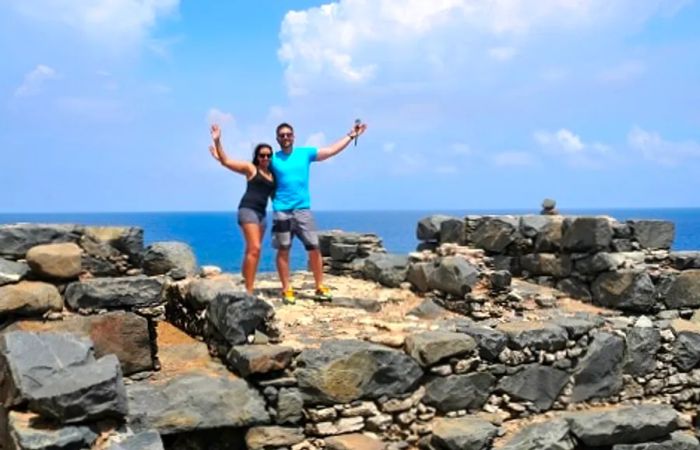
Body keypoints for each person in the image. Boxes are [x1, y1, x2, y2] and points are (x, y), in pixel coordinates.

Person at [271, 120, 367, 304]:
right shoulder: (273, 159)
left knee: (314, 248)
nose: (285, 138)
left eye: (288, 134)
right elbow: (248, 168)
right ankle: (286, 289)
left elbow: (330, 151)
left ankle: (319, 286)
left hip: (302, 209)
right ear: (277, 138)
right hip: (281, 211)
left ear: (293, 136)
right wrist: (220, 152)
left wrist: (351, 136)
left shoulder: (304, 154)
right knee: (283, 250)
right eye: (282, 135)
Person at [209, 124, 275, 294]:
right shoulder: (250, 169)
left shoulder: (273, 174)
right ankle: (249, 290)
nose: (265, 158)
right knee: (255, 249)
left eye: (268, 155)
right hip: (248, 210)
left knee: (251, 250)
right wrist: (218, 142)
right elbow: (227, 162)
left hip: (262, 214)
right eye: (262, 155)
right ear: (257, 157)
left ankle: (246, 279)